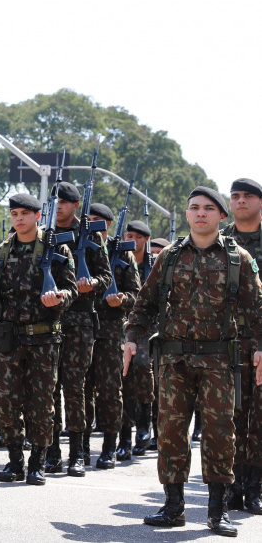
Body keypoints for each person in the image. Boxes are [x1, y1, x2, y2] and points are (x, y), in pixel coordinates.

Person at [124, 186, 262, 537]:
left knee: (219, 434)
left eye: (208, 209)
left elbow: (257, 309)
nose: (200, 213)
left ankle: (218, 511)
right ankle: (173, 507)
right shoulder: (168, 256)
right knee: (170, 432)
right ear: (186, 214)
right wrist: (130, 339)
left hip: (219, 361)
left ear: (221, 217)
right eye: (194, 208)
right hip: (174, 360)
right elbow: (145, 304)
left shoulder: (238, 259)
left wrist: (260, 347)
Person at [0, 194, 78, 485]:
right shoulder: (1, 252)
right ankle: (15, 461)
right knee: (7, 402)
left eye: (24, 213)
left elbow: (72, 291)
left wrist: (58, 298)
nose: (19, 218)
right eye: (15, 213)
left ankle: (38, 462)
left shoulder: (57, 249)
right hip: (10, 341)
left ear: (37, 216)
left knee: (41, 403)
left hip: (44, 340)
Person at [45, 182, 111, 477]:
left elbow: (106, 275)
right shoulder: (43, 231)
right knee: (49, 386)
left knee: (75, 386)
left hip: (81, 318)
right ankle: (51, 452)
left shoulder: (91, 234)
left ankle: (77, 453)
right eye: (54, 200)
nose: (58, 205)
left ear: (75, 205)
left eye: (64, 201)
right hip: (49, 319)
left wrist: (93, 284)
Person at [86, 204, 140, 469]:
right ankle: (81, 445)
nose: (92, 224)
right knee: (82, 389)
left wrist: (122, 299)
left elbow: (136, 294)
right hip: (82, 328)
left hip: (111, 332)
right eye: (89, 220)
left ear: (107, 224)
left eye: (97, 221)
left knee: (110, 390)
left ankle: (113, 444)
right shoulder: (82, 248)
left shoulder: (123, 253)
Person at [221, 178, 262, 514]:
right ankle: (233, 487)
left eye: (248, 196)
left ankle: (255, 487)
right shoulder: (221, 242)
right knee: (231, 414)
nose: (241, 201)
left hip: (261, 338)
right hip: (229, 340)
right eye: (235, 196)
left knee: (260, 416)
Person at [116, 219, 155, 460]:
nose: (133, 240)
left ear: (146, 240)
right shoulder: (119, 261)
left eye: (138, 236)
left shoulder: (154, 264)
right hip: (122, 326)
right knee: (123, 378)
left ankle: (144, 420)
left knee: (141, 367)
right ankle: (125, 437)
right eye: (129, 235)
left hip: (149, 328)